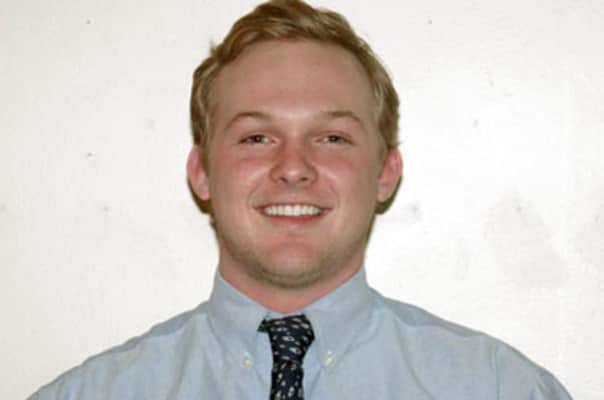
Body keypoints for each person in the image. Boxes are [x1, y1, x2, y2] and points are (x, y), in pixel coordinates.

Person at [29, 0, 572, 399]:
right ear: (202, 173)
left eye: (332, 137)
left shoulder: (502, 389)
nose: (293, 167)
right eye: (256, 138)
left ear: (386, 173)